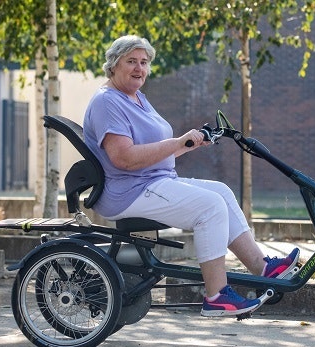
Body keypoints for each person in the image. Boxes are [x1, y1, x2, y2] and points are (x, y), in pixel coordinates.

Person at [83, 35, 300, 317]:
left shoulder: (136, 98)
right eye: (131, 61)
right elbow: (124, 158)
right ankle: (217, 295)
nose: (139, 68)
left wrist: (189, 144)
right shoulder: (107, 102)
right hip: (128, 191)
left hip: (151, 182)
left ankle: (263, 268)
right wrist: (177, 142)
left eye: (144, 63)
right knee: (209, 207)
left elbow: (154, 151)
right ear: (113, 65)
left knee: (220, 191)